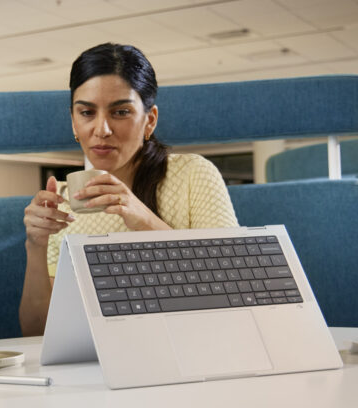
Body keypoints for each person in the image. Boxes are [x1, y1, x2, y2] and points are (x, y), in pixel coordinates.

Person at [19, 42, 238, 337]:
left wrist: (144, 219)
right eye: (86, 113)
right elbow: (37, 331)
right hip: (96, 362)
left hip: (193, 344)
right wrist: (36, 245)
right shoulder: (63, 200)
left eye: (120, 112)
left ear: (149, 120)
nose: (102, 129)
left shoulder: (192, 174)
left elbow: (232, 286)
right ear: (73, 121)